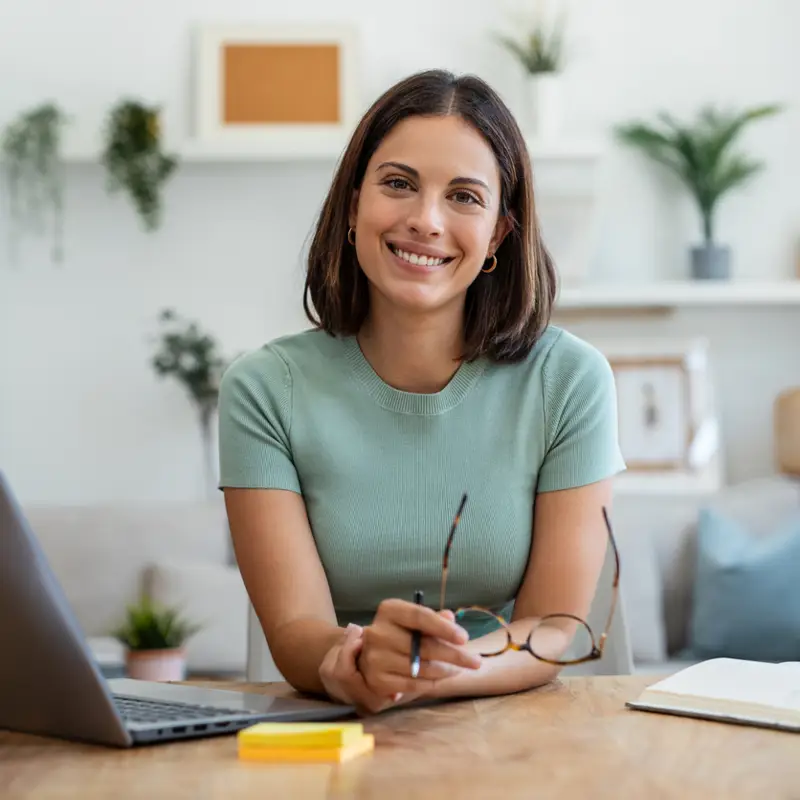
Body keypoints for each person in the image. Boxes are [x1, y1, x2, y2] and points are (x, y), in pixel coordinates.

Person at [218, 69, 626, 715]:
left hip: (515, 737)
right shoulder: (264, 391)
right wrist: (354, 664)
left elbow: (555, 628)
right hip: (339, 728)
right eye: (399, 184)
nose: (426, 220)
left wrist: (425, 673)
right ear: (353, 204)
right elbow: (295, 635)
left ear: (497, 234)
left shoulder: (569, 380)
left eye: (464, 196)